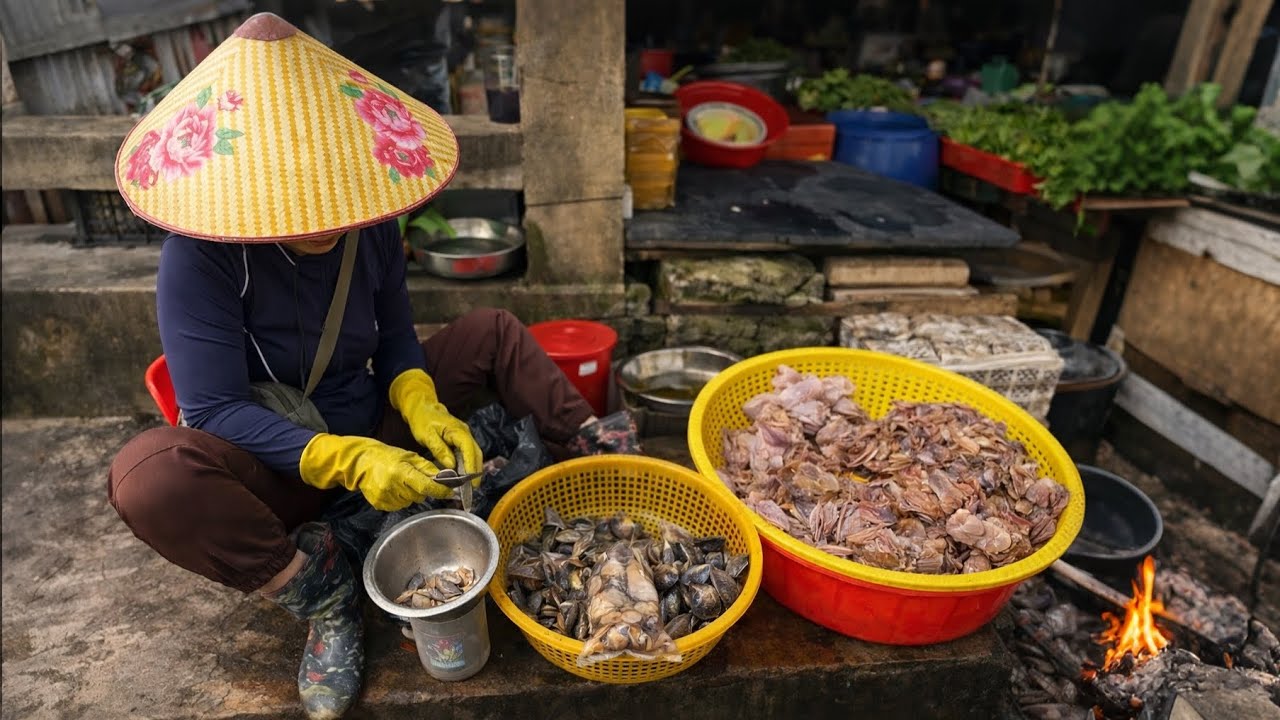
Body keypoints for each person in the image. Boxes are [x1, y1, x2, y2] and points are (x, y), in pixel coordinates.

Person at [104, 13, 638, 720]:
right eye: (295, 189)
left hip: (375, 418)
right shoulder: (198, 255)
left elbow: (393, 341)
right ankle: (321, 589)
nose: (323, 211)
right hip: (280, 466)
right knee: (149, 476)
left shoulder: (370, 222)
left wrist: (420, 400)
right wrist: (347, 462)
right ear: (250, 178)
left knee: (494, 331)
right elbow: (211, 411)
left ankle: (599, 461)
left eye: (331, 182)